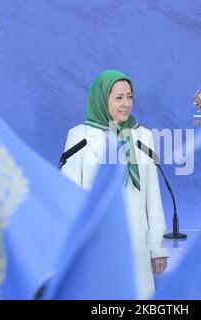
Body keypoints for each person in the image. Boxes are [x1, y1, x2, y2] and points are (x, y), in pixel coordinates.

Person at [61, 70, 169, 299]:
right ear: (102, 98)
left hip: (137, 245)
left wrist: (158, 248)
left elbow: (153, 197)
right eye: (119, 97)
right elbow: (70, 199)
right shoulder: (79, 136)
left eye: (129, 97)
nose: (126, 104)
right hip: (95, 247)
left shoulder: (144, 137)